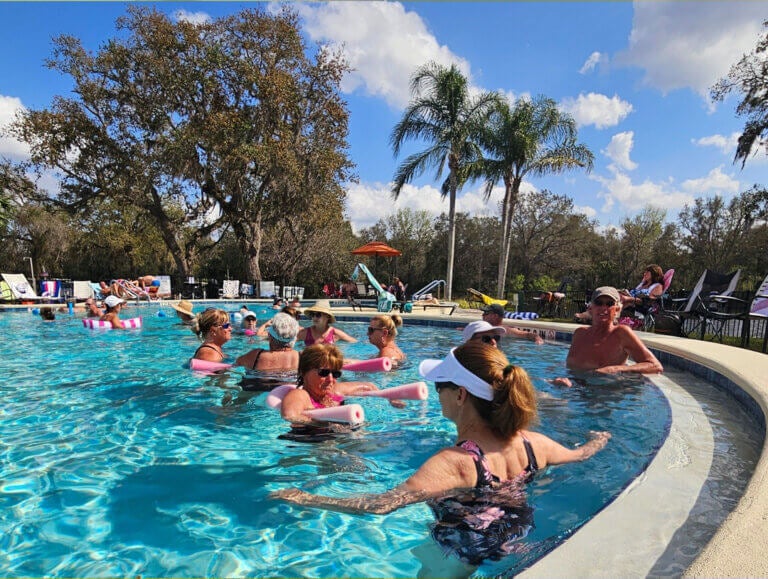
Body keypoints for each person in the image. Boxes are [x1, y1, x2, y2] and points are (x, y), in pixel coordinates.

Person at [273, 341, 610, 565]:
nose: (436, 395)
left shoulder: (455, 464)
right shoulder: (533, 443)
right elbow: (581, 454)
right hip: (518, 537)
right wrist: (599, 440)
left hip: (462, 556)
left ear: (460, 395)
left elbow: (381, 505)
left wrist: (305, 498)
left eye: (440, 387)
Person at [279, 344, 403, 423]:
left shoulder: (335, 391)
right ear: (303, 371)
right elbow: (290, 416)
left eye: (336, 374)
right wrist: (329, 421)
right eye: (324, 372)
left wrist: (390, 398)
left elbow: (369, 386)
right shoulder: (300, 395)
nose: (331, 379)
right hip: (315, 443)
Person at [565, 286, 663, 376]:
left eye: (609, 304)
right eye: (599, 303)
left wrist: (616, 369)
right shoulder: (579, 334)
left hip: (606, 392)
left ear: (617, 309)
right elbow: (570, 370)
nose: (604, 308)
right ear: (590, 308)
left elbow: (655, 366)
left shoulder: (621, 334)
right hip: (575, 390)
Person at [575, 265, 666, 322]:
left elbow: (649, 301)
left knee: (617, 300)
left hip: (639, 307)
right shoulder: (642, 284)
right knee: (611, 292)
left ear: (654, 274)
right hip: (629, 301)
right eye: (645, 272)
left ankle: (591, 314)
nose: (644, 273)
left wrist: (630, 299)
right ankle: (592, 313)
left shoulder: (657, 286)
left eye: (647, 272)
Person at [235, 313, 300, 389]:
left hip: (257, 395)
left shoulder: (256, 355)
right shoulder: (302, 357)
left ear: (270, 337)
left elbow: (236, 363)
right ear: (295, 338)